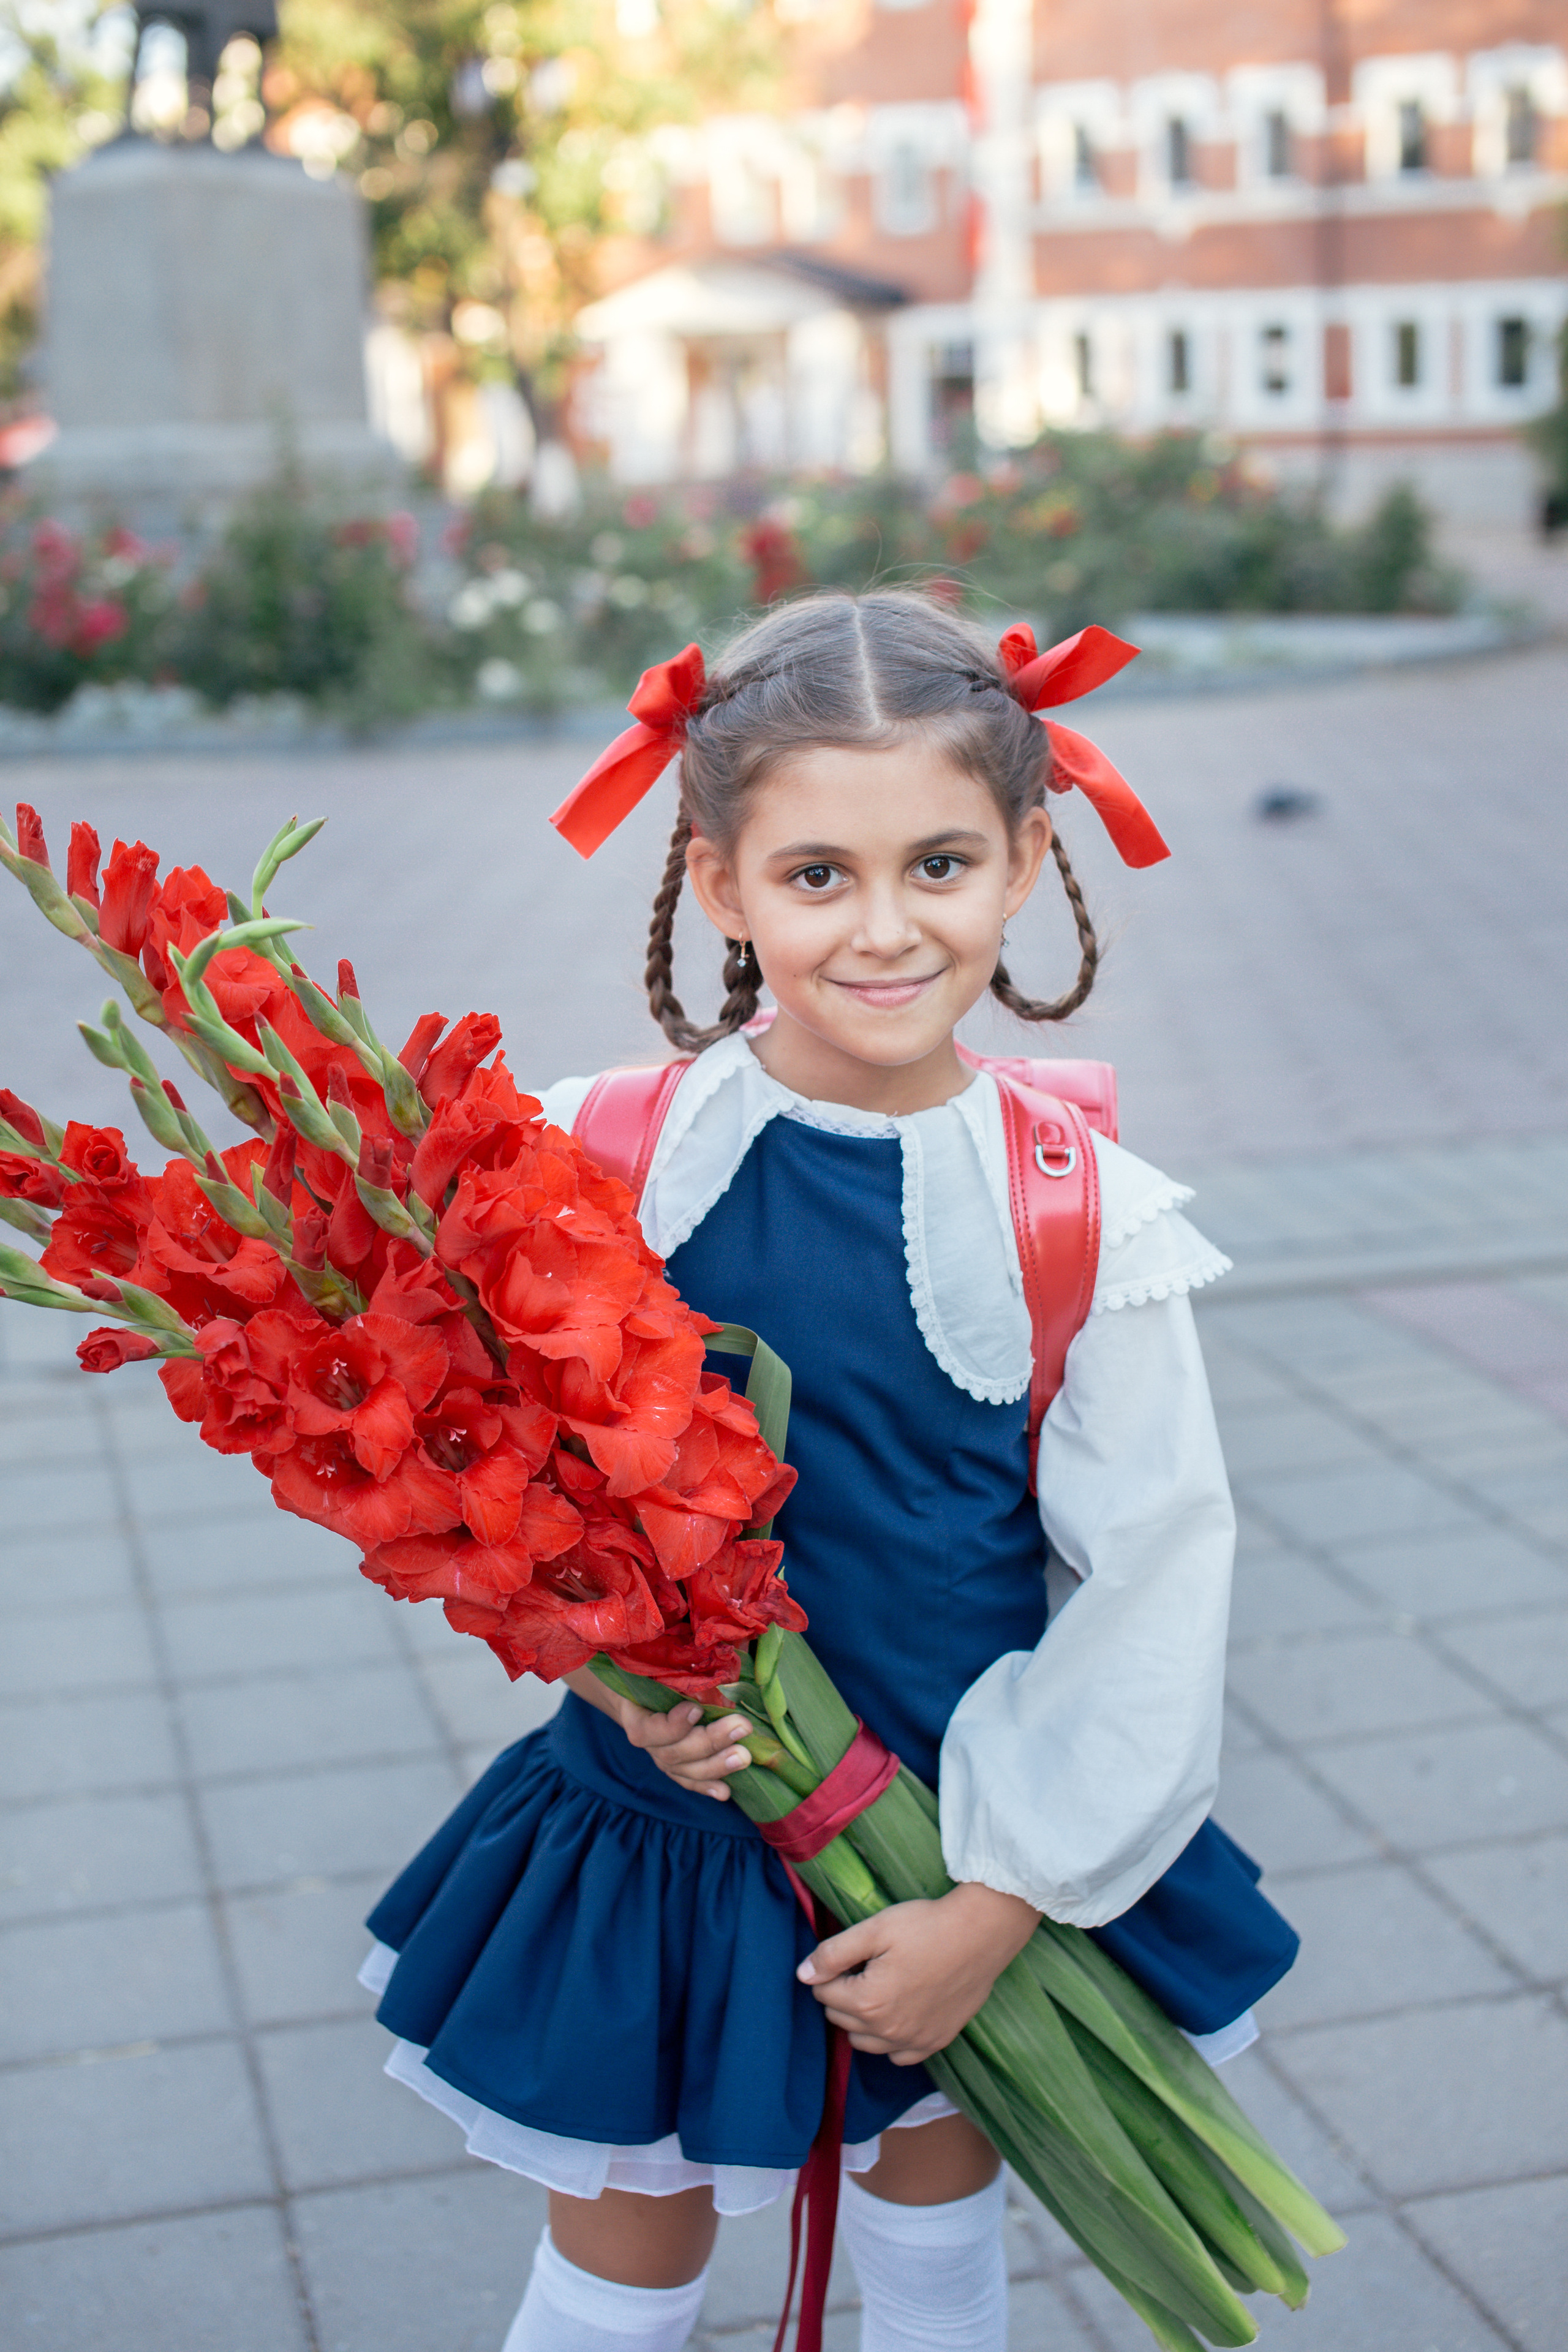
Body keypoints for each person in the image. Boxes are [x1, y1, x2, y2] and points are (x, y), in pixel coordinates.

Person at [359, 591, 1298, 2352]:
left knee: (935, 2244)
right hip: (667, 1828)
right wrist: (608, 1674)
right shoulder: (604, 1154)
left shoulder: (1079, 1207)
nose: (884, 930)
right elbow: (499, 1485)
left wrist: (1001, 1903)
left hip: (949, 1836)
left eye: (939, 864)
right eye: (815, 878)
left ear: (1027, 857)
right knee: (620, 2263)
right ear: (718, 880)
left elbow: (1162, 1576)